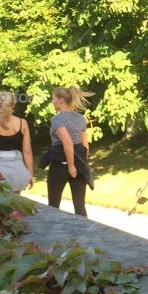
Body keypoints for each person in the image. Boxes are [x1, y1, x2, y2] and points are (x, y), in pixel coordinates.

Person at [47, 86, 91, 217]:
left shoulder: (57, 119)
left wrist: (71, 166)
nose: (52, 101)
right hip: (79, 165)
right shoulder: (80, 118)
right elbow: (85, 144)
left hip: (60, 166)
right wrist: (83, 163)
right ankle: (84, 229)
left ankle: (53, 229)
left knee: (53, 206)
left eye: (53, 98)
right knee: (80, 206)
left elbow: (67, 142)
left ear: (60, 100)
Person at [0, 90, 33, 193]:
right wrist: (30, 174)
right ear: (14, 104)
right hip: (18, 172)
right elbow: (27, 152)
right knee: (15, 202)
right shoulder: (22, 123)